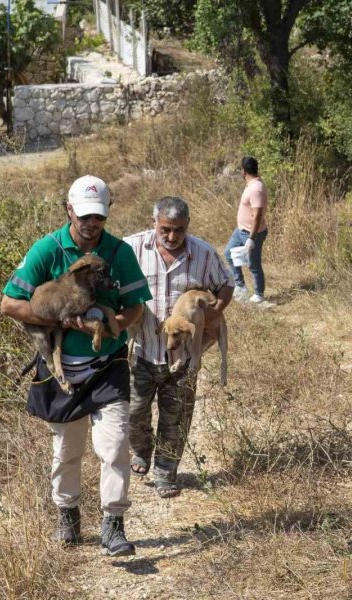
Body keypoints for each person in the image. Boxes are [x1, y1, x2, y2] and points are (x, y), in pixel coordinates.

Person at [0, 175, 152, 557]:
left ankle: (113, 525)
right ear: (69, 210)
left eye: (98, 216)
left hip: (108, 364)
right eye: (84, 216)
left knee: (114, 446)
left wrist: (115, 326)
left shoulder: (118, 252)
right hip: (63, 369)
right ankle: (67, 516)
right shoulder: (47, 250)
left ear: (107, 213)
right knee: (67, 449)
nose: (91, 223)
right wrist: (61, 321)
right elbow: (9, 304)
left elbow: (135, 307)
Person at [124, 196, 235, 498]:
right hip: (142, 351)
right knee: (133, 413)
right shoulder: (132, 248)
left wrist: (213, 313)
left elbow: (226, 282)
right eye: (166, 229)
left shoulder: (203, 253)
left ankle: (165, 473)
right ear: (154, 223)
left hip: (183, 357)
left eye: (179, 230)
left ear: (188, 226)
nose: (172, 237)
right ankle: (142, 450)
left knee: (176, 417)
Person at [224, 156, 269, 304]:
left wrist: (251, 238)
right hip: (241, 230)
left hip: (252, 233)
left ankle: (259, 294)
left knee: (253, 264)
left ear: (243, 171)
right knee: (228, 253)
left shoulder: (256, 188)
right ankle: (240, 285)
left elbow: (257, 215)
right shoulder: (251, 185)